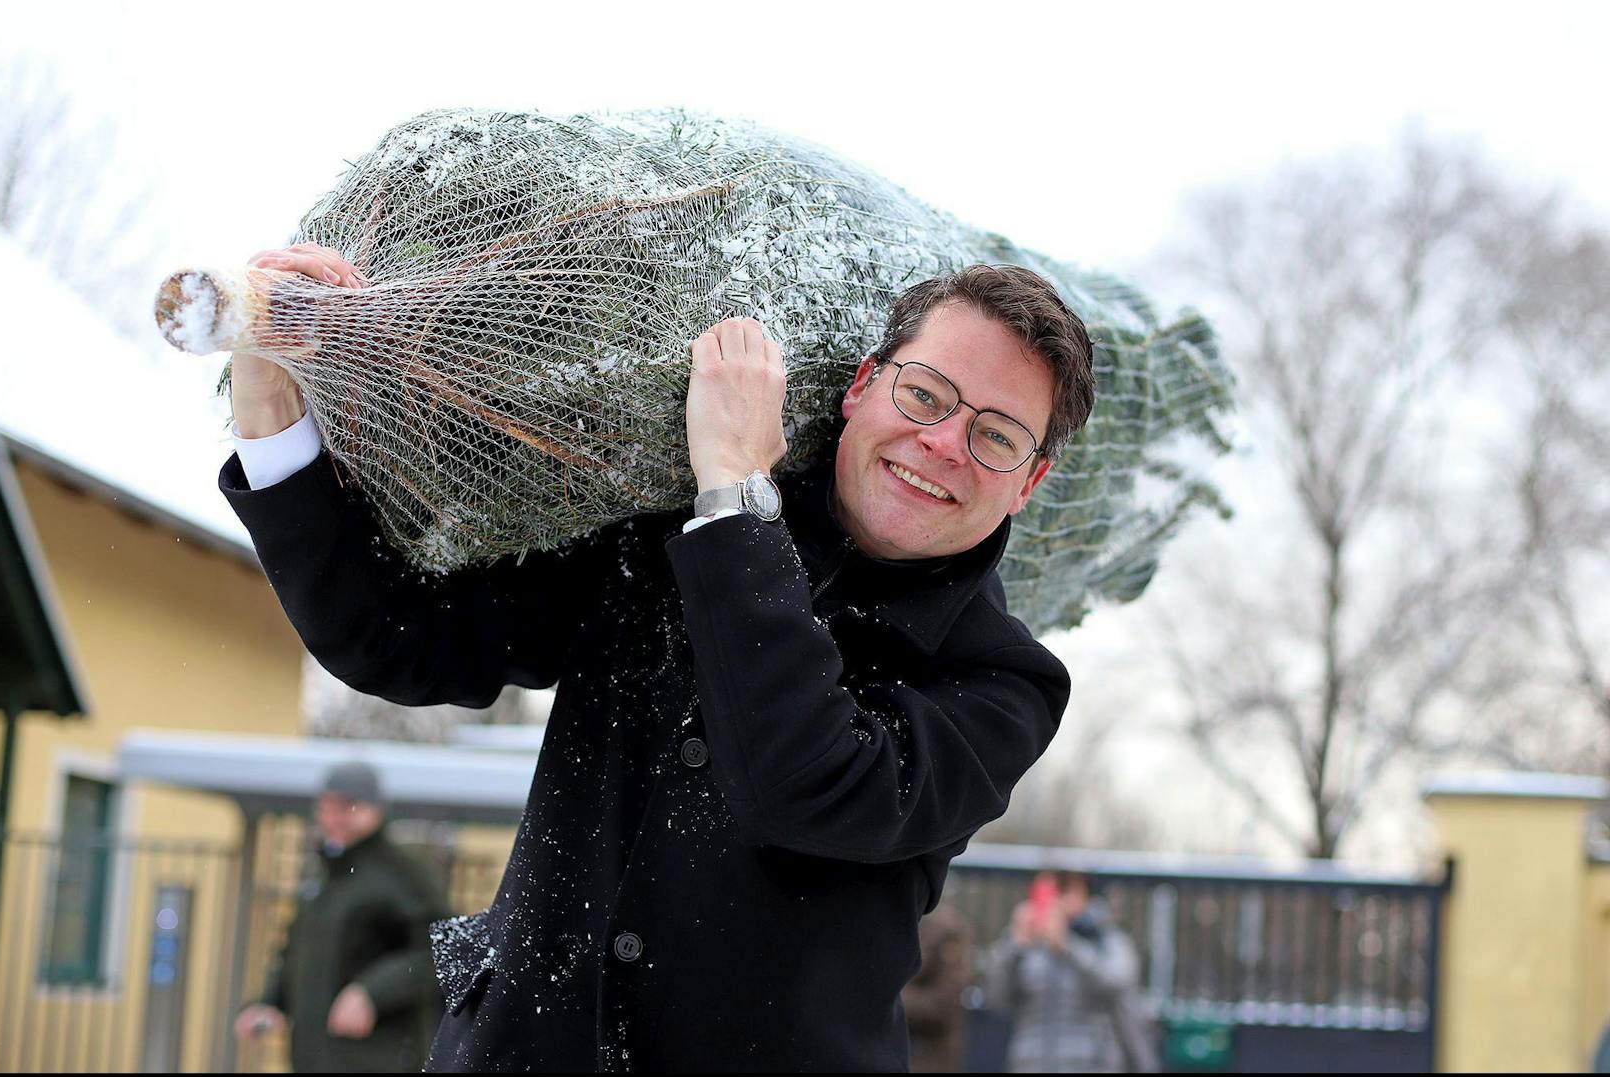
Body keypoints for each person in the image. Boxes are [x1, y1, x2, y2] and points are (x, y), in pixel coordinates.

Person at [220, 242, 1097, 1071]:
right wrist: (272, 419)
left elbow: (803, 785)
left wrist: (735, 497)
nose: (945, 442)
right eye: (927, 394)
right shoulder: (666, 516)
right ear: (861, 386)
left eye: (996, 435)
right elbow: (403, 640)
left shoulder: (1001, 681)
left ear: (1030, 480)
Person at [233, 761, 450, 1072]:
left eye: (348, 805)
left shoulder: (402, 874)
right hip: (315, 1059)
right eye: (327, 806)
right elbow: (295, 954)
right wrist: (269, 1003)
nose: (334, 817)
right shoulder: (324, 878)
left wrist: (372, 992)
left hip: (377, 1060)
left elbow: (439, 951)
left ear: (375, 810)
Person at [984, 871, 1160, 1073]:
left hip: (1092, 1064)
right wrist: (1014, 947)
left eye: (1062, 891)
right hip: (1031, 1064)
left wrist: (1068, 946)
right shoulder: (1026, 941)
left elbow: (1118, 982)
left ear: (1083, 895)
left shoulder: (1106, 937)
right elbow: (997, 999)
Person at [902, 902, 975, 1072]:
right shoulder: (891, 922)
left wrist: (891, 996)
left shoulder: (945, 930)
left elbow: (941, 1007)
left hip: (928, 1059)